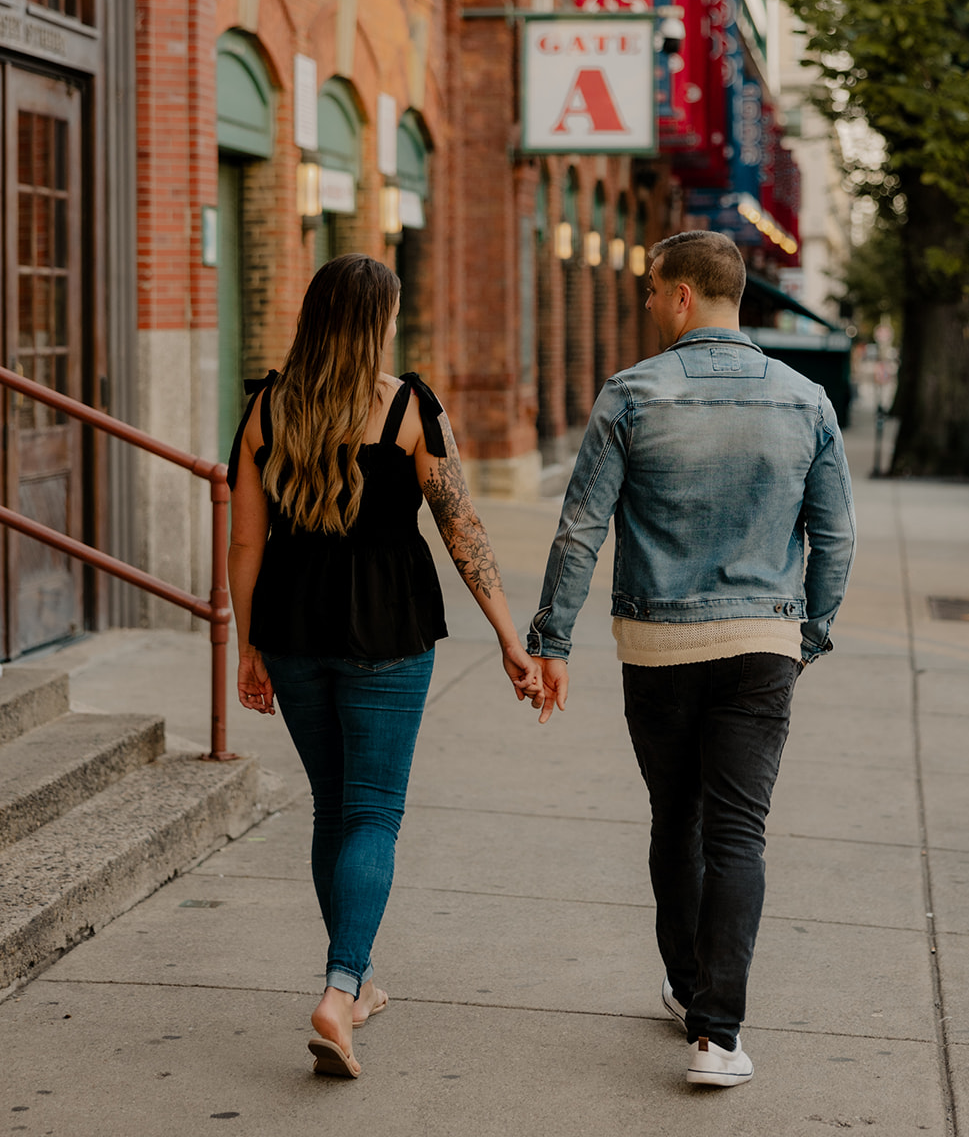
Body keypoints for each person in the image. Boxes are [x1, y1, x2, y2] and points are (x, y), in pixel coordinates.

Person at [526, 231, 855, 1089]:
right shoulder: (805, 399)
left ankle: (683, 983)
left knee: (675, 818)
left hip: (658, 643)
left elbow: (580, 528)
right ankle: (716, 1035)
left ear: (679, 296)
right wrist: (805, 635)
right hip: (760, 643)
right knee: (738, 832)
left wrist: (550, 641)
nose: (643, 304)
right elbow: (836, 538)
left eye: (647, 289)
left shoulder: (632, 394)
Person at [227, 253, 541, 1079]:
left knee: (334, 809)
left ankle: (356, 984)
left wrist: (248, 643)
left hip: (292, 630)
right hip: (388, 631)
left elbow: (245, 542)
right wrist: (510, 635)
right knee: (372, 812)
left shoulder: (265, 408)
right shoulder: (408, 407)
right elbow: (460, 527)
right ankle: (339, 990)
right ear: (377, 322)